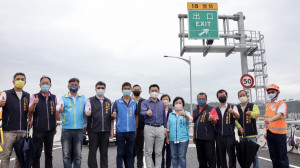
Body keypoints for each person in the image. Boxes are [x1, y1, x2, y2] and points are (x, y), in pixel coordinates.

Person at [0, 72, 30, 168]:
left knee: (20, 157)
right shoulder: (6, 93)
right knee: (6, 155)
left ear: (25, 82)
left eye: (22, 79)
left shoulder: (27, 95)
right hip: (9, 131)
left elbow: (29, 111)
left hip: (23, 131)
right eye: (18, 79)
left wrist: (30, 120)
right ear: (13, 81)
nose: (20, 81)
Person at [28, 76, 57, 168]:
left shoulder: (54, 97)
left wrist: (55, 126)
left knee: (49, 153)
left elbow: (55, 113)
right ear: (39, 85)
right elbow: (30, 111)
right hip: (38, 130)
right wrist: (34, 103)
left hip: (50, 130)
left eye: (47, 83)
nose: (45, 85)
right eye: (43, 83)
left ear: (50, 85)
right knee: (37, 153)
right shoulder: (34, 96)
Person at [56, 78, 86, 168]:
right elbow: (58, 107)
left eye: (76, 85)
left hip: (79, 130)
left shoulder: (83, 98)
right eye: (72, 84)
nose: (74, 86)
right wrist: (59, 109)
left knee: (78, 155)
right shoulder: (63, 97)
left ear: (79, 87)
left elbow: (87, 111)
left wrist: (86, 125)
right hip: (66, 130)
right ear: (68, 86)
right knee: (66, 155)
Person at [85, 81, 113, 168]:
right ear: (95, 89)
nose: (100, 89)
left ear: (105, 89)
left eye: (102, 88)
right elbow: (86, 112)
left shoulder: (108, 101)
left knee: (104, 153)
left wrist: (111, 130)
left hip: (105, 131)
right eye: (98, 88)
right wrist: (88, 113)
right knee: (92, 152)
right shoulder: (90, 100)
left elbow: (111, 117)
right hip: (93, 130)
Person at [111, 82, 138, 168]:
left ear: (131, 90)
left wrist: (135, 127)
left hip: (131, 131)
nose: (126, 90)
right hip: (120, 131)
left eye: (128, 89)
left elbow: (136, 115)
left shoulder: (134, 102)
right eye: (125, 89)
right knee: (120, 153)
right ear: (122, 90)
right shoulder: (117, 102)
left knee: (130, 152)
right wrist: (113, 115)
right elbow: (112, 116)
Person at [141, 84, 167, 168]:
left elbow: (164, 117)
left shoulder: (161, 103)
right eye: (152, 90)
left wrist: (165, 128)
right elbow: (142, 112)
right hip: (149, 127)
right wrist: (147, 113)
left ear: (159, 92)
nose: (154, 92)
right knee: (148, 151)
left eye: (156, 90)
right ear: (149, 92)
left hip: (160, 128)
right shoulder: (145, 103)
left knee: (159, 152)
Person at [264, 84, 289, 168]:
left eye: (272, 92)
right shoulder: (267, 105)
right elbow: (267, 117)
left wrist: (269, 120)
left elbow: (279, 115)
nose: (270, 94)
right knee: (273, 157)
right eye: (269, 92)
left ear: (278, 93)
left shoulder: (281, 103)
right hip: (270, 133)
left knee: (282, 157)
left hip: (280, 134)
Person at [214, 89, 240, 168]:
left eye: (223, 96)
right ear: (217, 98)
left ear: (227, 96)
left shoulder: (232, 107)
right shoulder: (215, 109)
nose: (222, 97)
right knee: (221, 156)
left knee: (231, 155)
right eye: (220, 96)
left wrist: (233, 112)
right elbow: (214, 122)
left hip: (230, 136)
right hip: (219, 136)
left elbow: (238, 117)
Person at [235, 90, 260, 168]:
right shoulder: (236, 107)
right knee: (243, 155)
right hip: (241, 136)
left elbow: (257, 114)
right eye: (240, 95)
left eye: (243, 95)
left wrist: (251, 114)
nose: (242, 97)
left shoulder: (253, 106)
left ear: (247, 96)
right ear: (238, 97)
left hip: (251, 135)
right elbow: (235, 119)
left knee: (254, 155)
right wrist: (239, 127)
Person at [193, 92, 219, 168]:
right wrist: (194, 136)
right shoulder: (195, 111)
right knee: (201, 159)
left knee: (211, 158)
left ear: (206, 100)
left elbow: (216, 121)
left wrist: (212, 119)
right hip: (198, 139)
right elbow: (195, 124)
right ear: (197, 100)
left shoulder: (211, 109)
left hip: (208, 138)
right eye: (199, 99)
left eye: (203, 99)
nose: (201, 100)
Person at [166, 97, 192, 168]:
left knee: (182, 157)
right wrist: (167, 138)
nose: (178, 104)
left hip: (183, 139)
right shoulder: (171, 114)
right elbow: (168, 128)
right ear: (174, 104)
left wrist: (185, 115)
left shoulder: (187, 113)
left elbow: (190, 121)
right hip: (172, 139)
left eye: (180, 103)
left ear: (183, 104)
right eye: (176, 103)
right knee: (174, 157)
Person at [131, 84, 146, 168]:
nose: (136, 90)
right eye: (135, 89)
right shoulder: (129, 101)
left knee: (140, 149)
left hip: (141, 129)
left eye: (138, 89)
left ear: (141, 91)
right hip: (130, 129)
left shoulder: (144, 101)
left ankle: (139, 166)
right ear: (132, 91)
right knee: (131, 149)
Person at [160, 94, 172, 168]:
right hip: (160, 133)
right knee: (160, 153)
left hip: (170, 134)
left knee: (169, 154)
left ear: (169, 101)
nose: (165, 101)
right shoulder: (159, 110)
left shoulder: (171, 111)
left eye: (167, 99)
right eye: (163, 99)